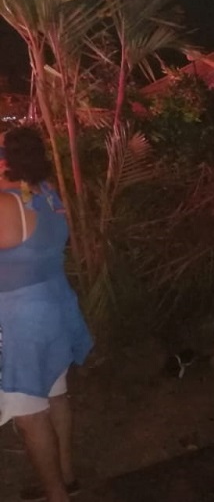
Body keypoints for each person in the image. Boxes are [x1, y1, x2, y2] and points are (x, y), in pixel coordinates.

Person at [0, 126, 93, 502]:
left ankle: (56, 495)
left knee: (28, 411)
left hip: (21, 318)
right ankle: (66, 476)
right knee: (56, 395)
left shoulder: (7, 204)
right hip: (56, 304)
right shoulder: (48, 193)